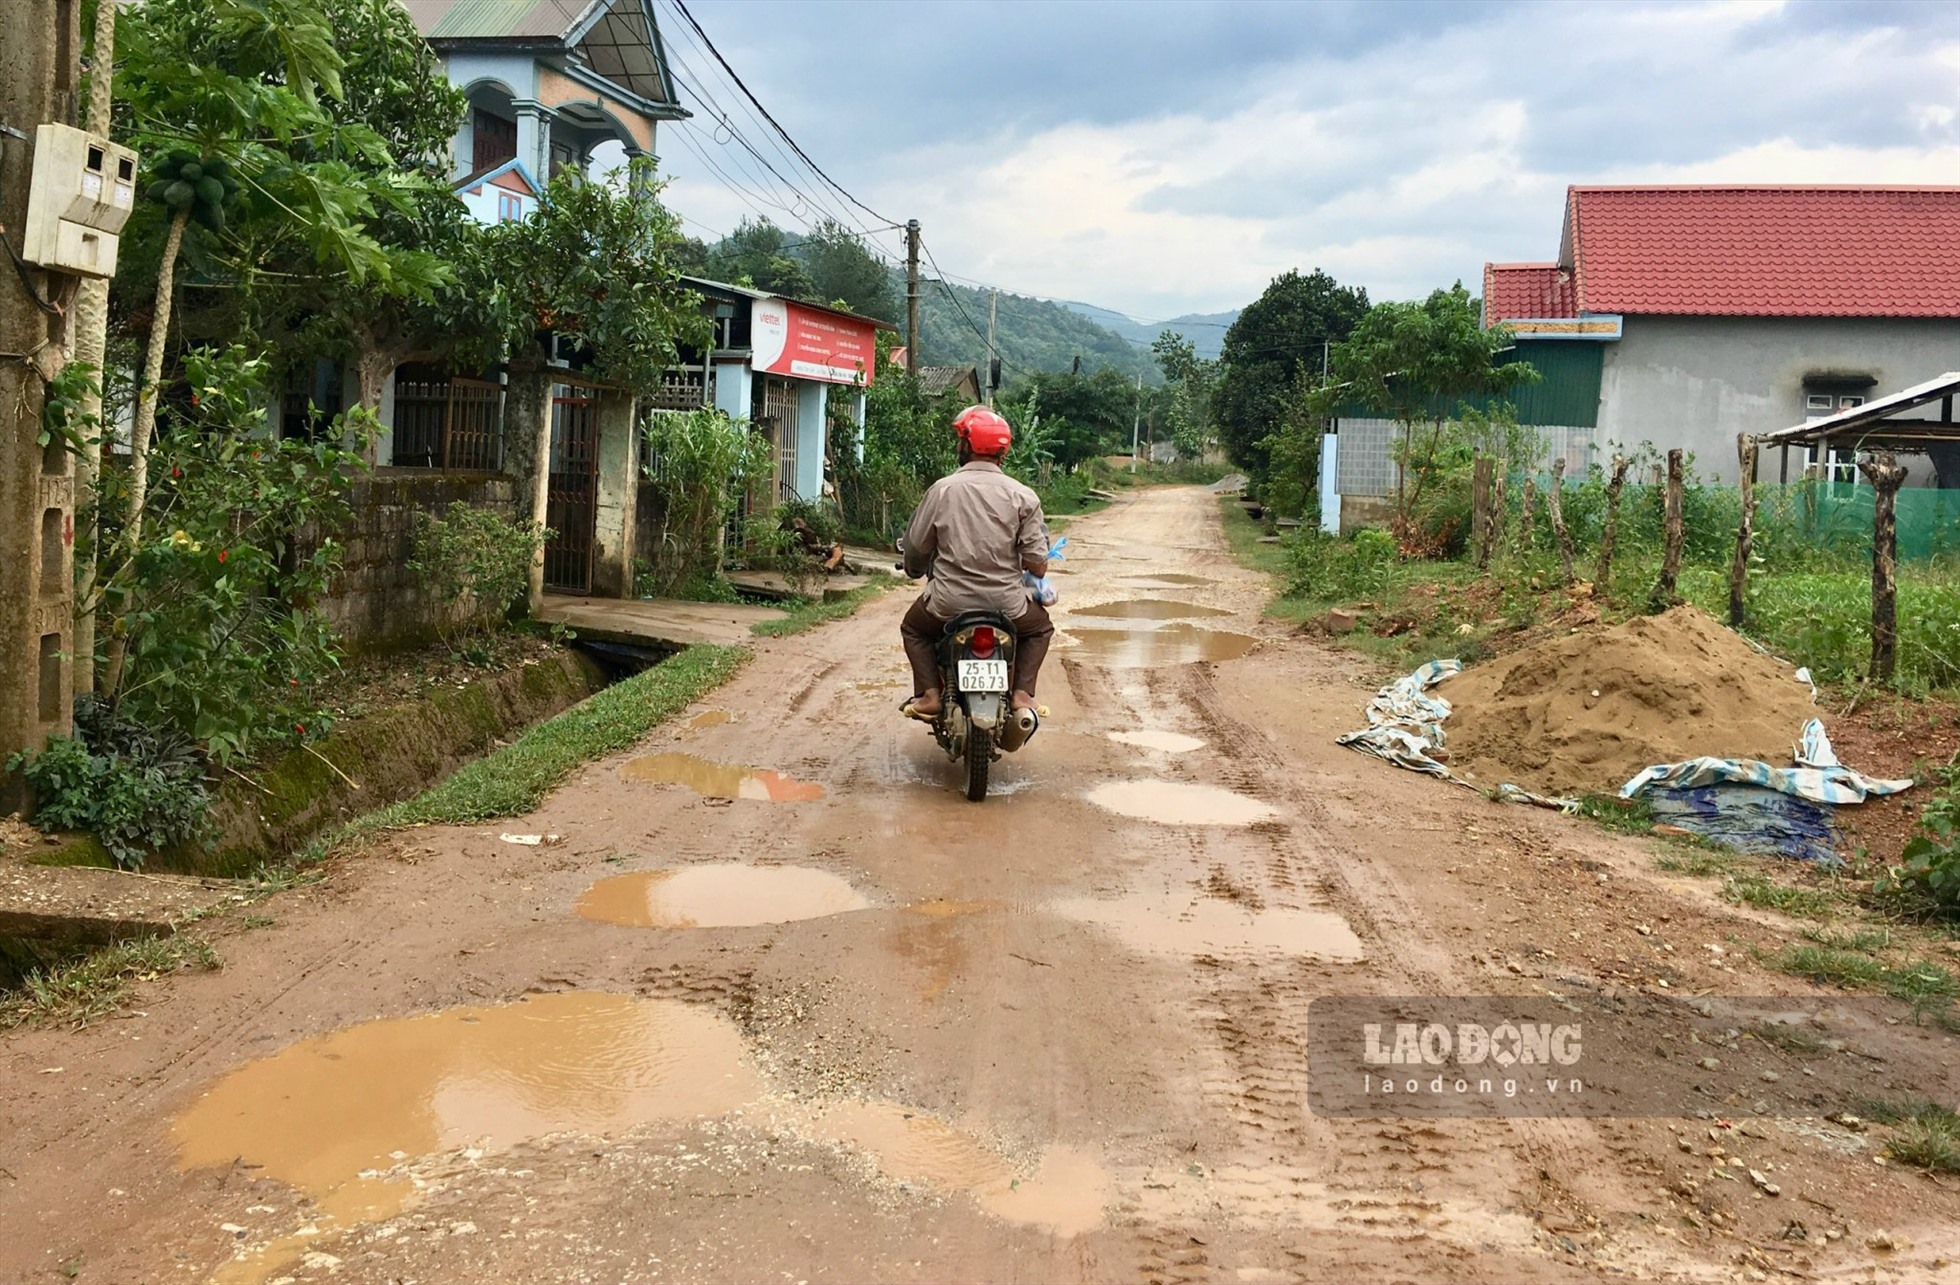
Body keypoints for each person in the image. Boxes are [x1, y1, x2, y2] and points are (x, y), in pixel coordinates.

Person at [900, 405, 1054, 718]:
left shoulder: (942, 490)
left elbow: (916, 548)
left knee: (913, 629)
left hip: (947, 604)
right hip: (1008, 606)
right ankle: (1022, 695)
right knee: (1040, 630)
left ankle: (930, 694)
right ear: (1003, 452)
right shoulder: (1024, 496)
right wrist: (1035, 572)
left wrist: (914, 569)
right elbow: (1037, 560)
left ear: (966, 446)